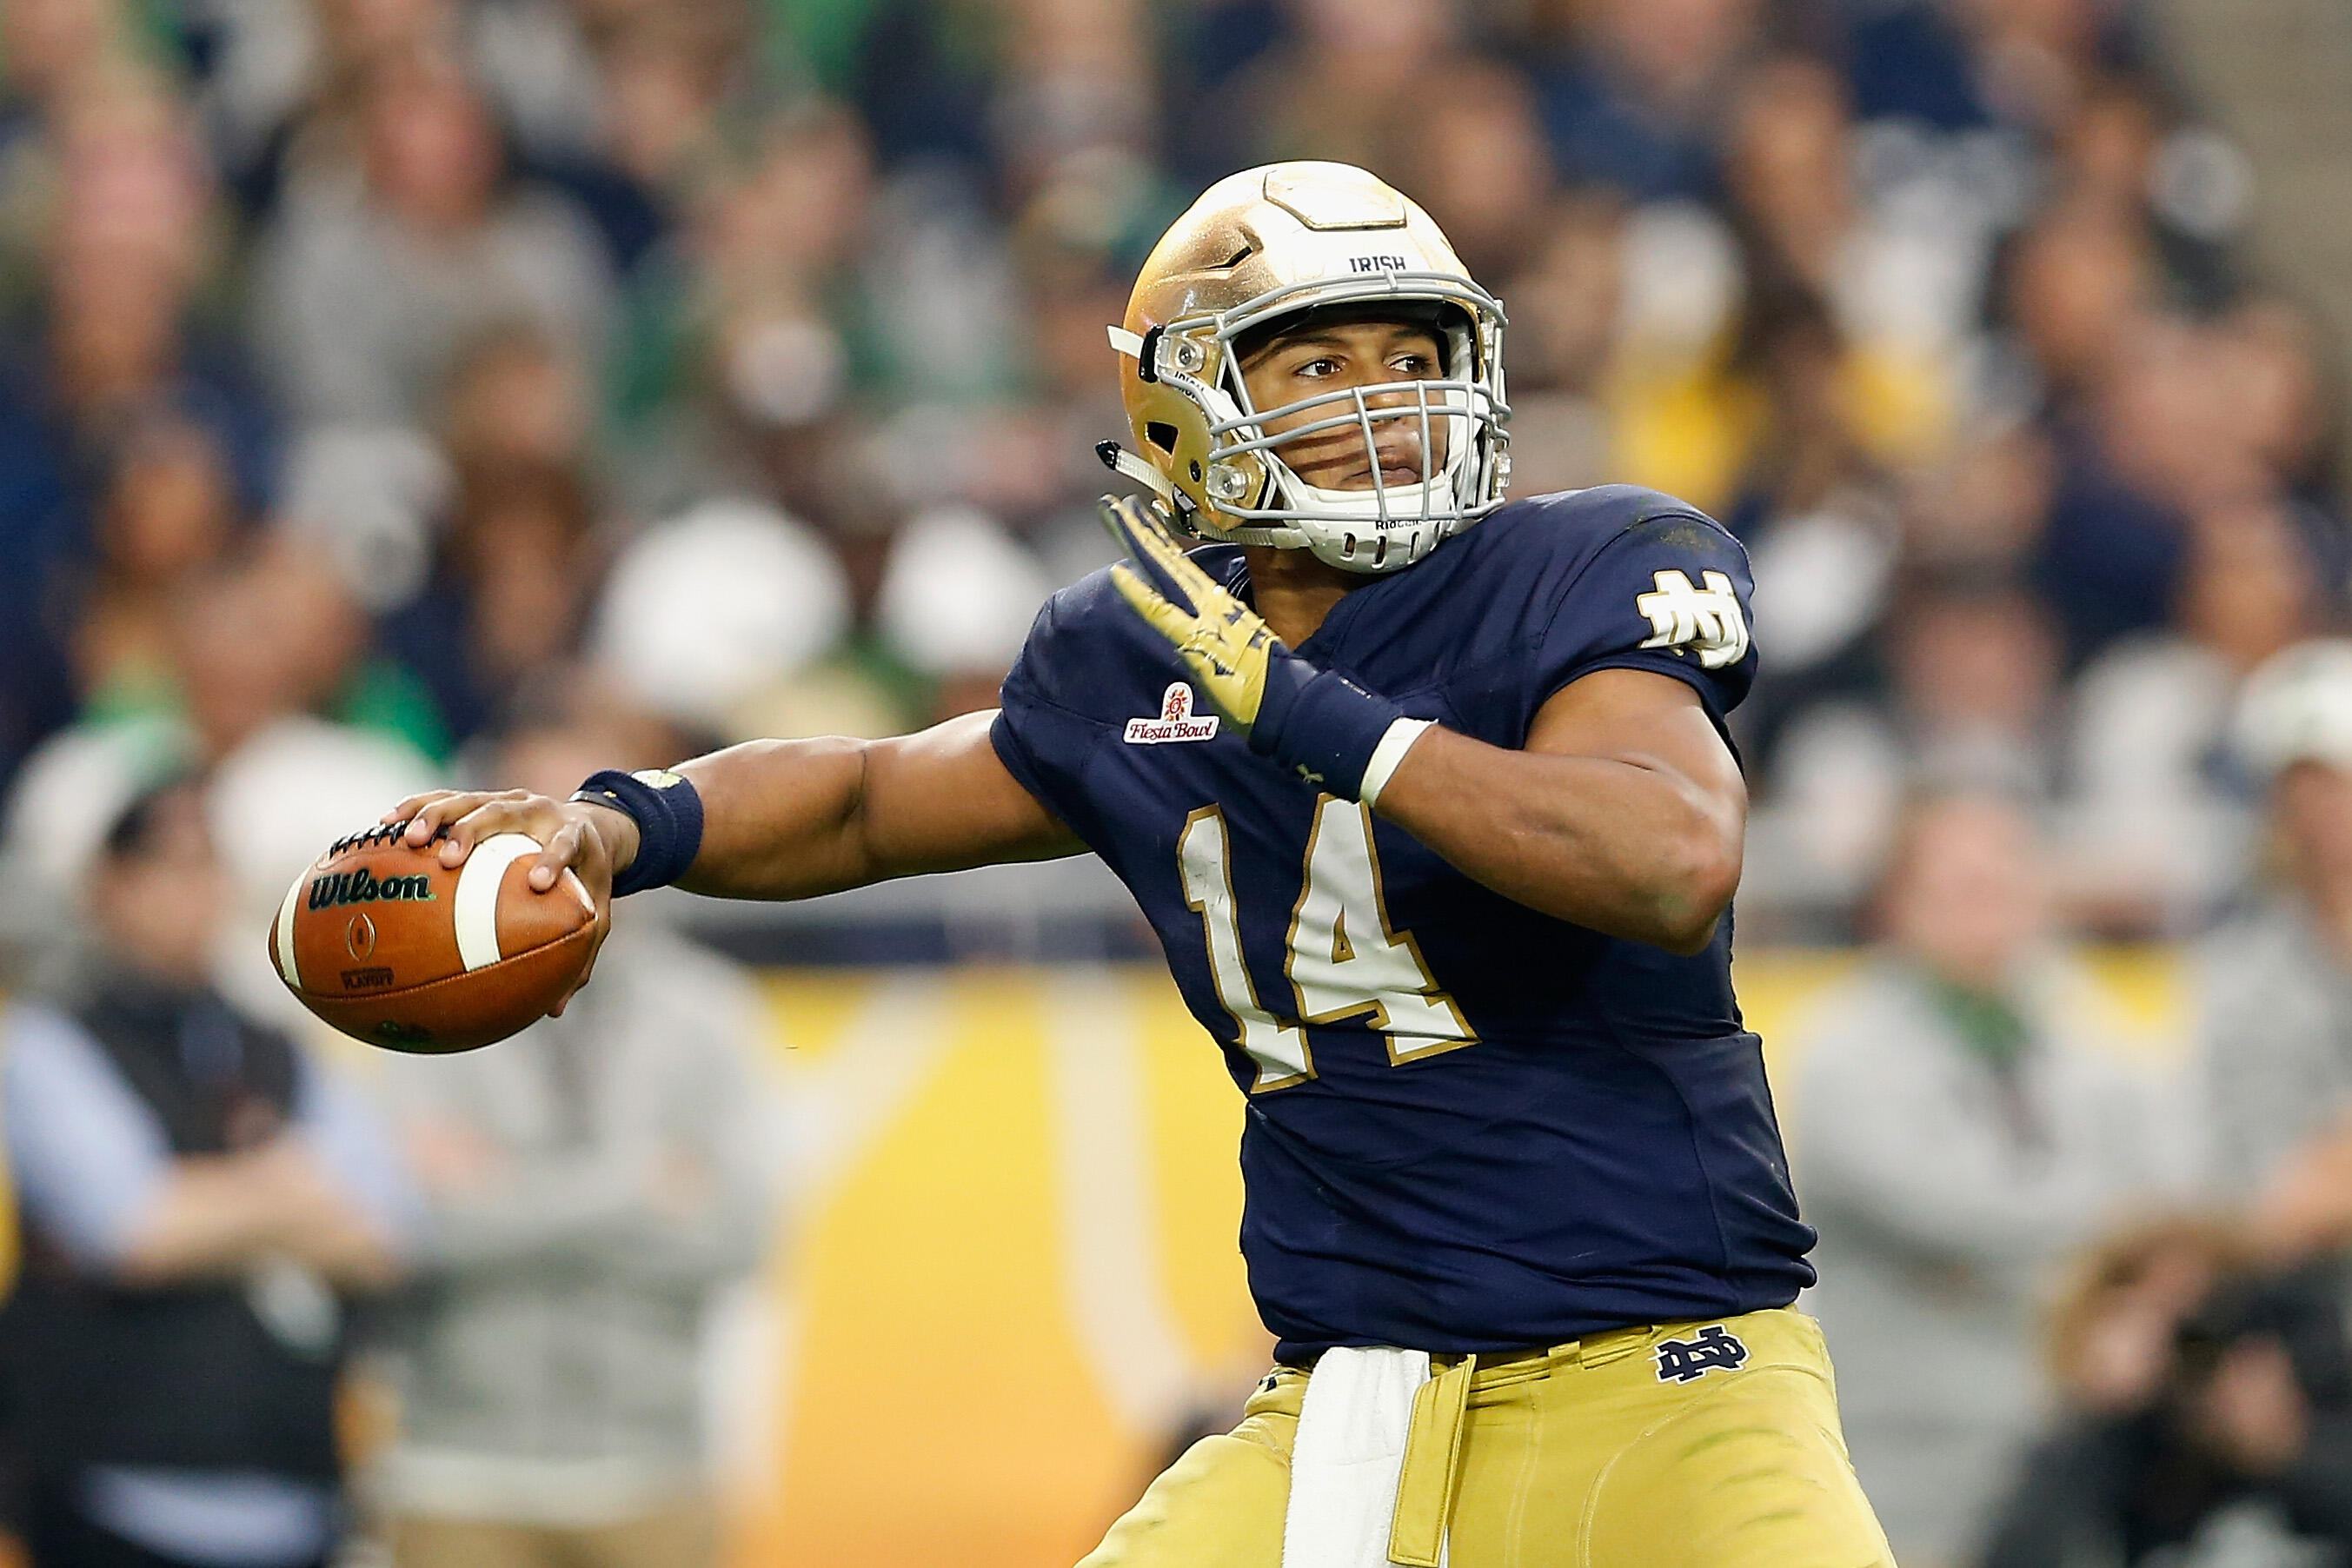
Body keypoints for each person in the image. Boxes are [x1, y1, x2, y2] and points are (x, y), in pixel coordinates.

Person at [382, 162, 1893, 1565]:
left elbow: (1670, 856)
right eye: (1319, 362)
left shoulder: (1578, 563)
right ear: (1187, 405)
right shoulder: (1134, 648)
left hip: (1669, 1370)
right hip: (1345, 1399)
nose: (1387, 400)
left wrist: (1312, 717)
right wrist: (614, 823)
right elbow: (862, 798)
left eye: (1415, 355)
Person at [370, 682, 783, 1568]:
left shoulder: (707, 1012)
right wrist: (638, 1187)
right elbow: (410, 1233)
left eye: (580, 827)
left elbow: (741, 1235)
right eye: (531, 831)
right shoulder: (418, 1012)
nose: (557, 859)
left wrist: (505, 1196)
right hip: (458, 1470)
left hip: (653, 1468)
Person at [0, 776, 421, 1568]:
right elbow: (130, 1230)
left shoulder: (278, 1046)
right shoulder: (54, 1040)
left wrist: (211, 1207)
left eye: (207, 867)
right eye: (164, 868)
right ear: (106, 886)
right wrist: (290, 1194)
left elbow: (386, 1233)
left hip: (292, 1488)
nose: (190, 893)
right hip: (107, 1492)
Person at [1789, 790, 2187, 1568]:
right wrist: (2116, 1246)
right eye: (1961, 885)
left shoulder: (2079, 1013)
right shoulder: (1842, 1053)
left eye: (2007, 878)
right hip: (1917, 1458)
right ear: (1894, 904)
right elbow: (1967, 1212)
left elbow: (2165, 1182)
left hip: (2082, 1441)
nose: (1992, 904)